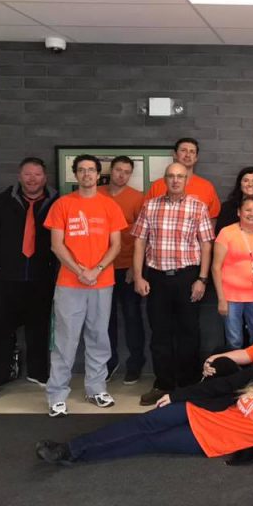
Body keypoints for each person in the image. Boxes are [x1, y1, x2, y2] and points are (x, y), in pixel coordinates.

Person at [35, 344, 253, 477]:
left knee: (146, 443)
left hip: (210, 441)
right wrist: (175, 395)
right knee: (143, 424)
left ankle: (79, 456)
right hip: (203, 411)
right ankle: (69, 449)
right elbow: (216, 389)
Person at [43, 154, 127, 416]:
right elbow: (57, 245)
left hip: (102, 283)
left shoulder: (110, 206)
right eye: (82, 170)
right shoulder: (62, 205)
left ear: (98, 174)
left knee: (98, 337)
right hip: (70, 283)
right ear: (76, 174)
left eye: (91, 170)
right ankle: (57, 394)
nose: (87, 174)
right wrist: (81, 271)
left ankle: (96, 389)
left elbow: (116, 245)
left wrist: (97, 269)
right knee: (65, 341)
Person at [0, 157, 58, 401]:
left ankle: (39, 373)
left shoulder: (56, 201)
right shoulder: (4, 200)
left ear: (45, 177)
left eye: (37, 174)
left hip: (42, 279)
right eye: (27, 174)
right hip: (5, 279)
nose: (32, 179)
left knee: (39, 329)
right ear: (20, 176)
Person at [132, 163, 215, 406]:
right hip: (156, 277)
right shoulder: (150, 206)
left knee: (189, 332)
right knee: (160, 333)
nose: (176, 180)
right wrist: (138, 276)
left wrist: (202, 279)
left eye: (180, 176)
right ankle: (163, 384)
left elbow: (206, 245)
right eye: (171, 176)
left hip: (187, 277)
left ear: (187, 180)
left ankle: (188, 385)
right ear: (165, 179)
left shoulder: (198, 207)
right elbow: (139, 242)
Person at [97, 155, 146, 385]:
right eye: (118, 170)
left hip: (126, 267)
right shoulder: (96, 195)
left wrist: (135, 270)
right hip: (100, 269)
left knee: (132, 316)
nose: (121, 175)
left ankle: (135, 364)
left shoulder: (137, 198)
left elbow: (142, 237)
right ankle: (109, 362)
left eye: (127, 171)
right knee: (104, 319)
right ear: (110, 170)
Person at [211, 197, 253, 349]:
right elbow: (216, 267)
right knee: (234, 340)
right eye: (248, 210)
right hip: (231, 298)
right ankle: (237, 372)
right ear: (239, 212)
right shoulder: (227, 233)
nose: (252, 214)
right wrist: (221, 299)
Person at [145, 138, 221, 221]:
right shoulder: (157, 185)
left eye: (192, 152)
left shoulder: (207, 186)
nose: (188, 155)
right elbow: (145, 215)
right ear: (174, 154)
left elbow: (212, 219)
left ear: (196, 158)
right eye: (183, 150)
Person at [215, 166, 253, 233]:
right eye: (246, 181)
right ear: (240, 185)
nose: (250, 184)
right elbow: (220, 233)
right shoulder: (227, 207)